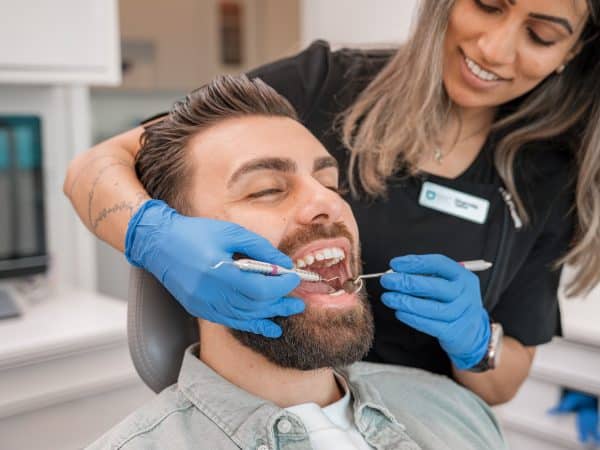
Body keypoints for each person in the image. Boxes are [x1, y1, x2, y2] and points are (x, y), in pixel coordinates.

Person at [64, 0, 600, 405]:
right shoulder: (326, 83)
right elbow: (99, 166)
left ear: (572, 51)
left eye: (540, 34)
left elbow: (503, 381)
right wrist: (152, 235)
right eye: (487, 3)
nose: (494, 48)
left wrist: (477, 342)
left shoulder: (549, 176)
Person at [86, 75, 508, 450]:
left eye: (330, 183)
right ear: (186, 255)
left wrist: (479, 345)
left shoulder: (458, 411)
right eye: (266, 189)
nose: (329, 203)